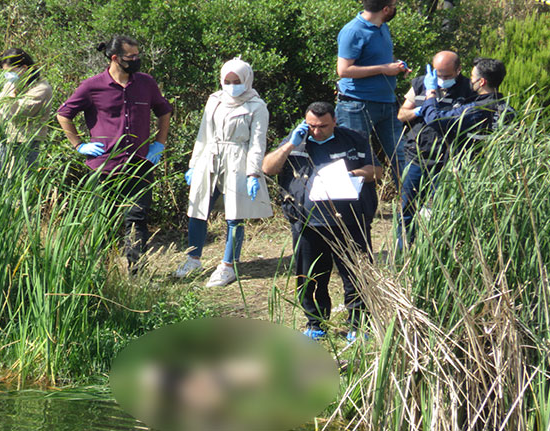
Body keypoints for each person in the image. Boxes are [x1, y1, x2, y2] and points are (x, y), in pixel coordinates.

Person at [262, 102, 382, 342]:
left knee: (356, 274)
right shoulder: (297, 141)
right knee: (311, 275)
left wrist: (353, 174)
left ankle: (358, 325)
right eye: (312, 126)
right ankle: (316, 324)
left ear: (335, 121)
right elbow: (268, 167)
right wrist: (290, 145)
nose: (316, 131)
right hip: (308, 223)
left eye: (323, 126)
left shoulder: (354, 139)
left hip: (350, 221)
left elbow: (377, 171)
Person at [56, 35, 172, 269]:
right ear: (115, 58)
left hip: (139, 163)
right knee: (103, 221)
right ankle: (102, 272)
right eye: (131, 57)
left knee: (136, 219)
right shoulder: (92, 86)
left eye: (138, 55)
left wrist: (159, 142)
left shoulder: (146, 83)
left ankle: (136, 272)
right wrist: (79, 144)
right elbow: (63, 114)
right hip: (104, 166)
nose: (136, 60)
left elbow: (164, 111)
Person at [173, 58, 272, 287]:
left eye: (236, 81)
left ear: (246, 80)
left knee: (234, 214)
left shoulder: (257, 106)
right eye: (227, 81)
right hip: (211, 156)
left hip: (238, 158)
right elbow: (203, 134)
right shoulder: (215, 100)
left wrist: (253, 173)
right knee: (198, 209)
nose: (231, 85)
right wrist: (193, 163)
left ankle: (228, 266)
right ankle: (193, 258)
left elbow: (258, 143)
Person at [400, 57, 514, 246]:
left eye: (472, 77)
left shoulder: (476, 108)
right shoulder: (508, 109)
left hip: (463, 173)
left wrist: (430, 94)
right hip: (490, 177)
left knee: (446, 218)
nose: (471, 81)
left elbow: (436, 120)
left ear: (482, 81)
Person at [396, 50, 474, 248]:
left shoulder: (468, 88)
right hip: (417, 155)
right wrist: (416, 111)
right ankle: (403, 251)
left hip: (449, 159)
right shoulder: (421, 83)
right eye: (438, 74)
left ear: (458, 70)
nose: (441, 79)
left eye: (447, 76)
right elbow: (401, 115)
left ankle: (437, 253)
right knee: (407, 207)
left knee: (443, 209)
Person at [336, 0, 409, 186]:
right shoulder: (352, 31)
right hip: (356, 105)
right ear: (385, 9)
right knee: (356, 157)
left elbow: (380, 57)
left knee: (401, 155)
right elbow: (343, 70)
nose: (395, 8)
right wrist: (384, 69)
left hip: (387, 103)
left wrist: (396, 65)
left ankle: (411, 207)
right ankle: (355, 209)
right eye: (393, 5)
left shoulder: (382, 27)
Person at [0, 48, 53, 172]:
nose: (8, 76)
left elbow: (16, 113)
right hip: (4, 140)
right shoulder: (11, 84)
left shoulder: (41, 89)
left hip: (25, 143)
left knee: (20, 180)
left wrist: (10, 92)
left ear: (24, 68)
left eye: (11, 71)